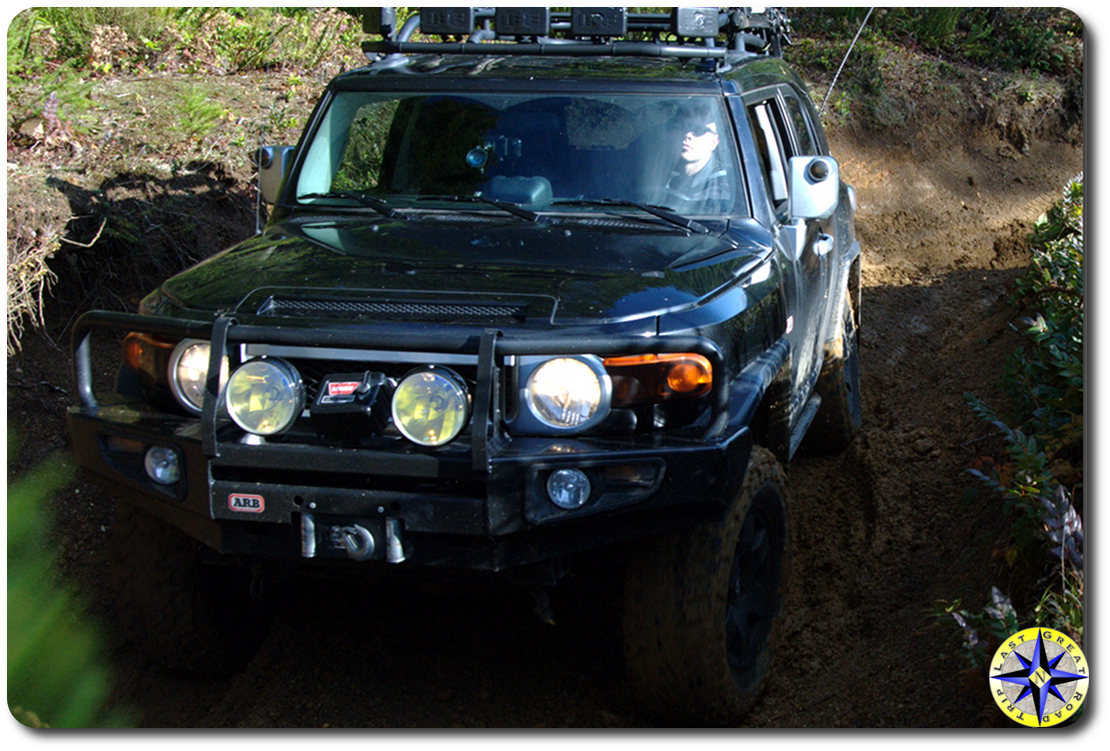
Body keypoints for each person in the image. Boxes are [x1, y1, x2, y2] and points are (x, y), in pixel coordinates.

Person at [663, 103, 732, 214]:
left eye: (698, 130)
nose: (688, 134)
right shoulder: (658, 173)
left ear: (714, 142)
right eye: (682, 126)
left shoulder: (723, 189)